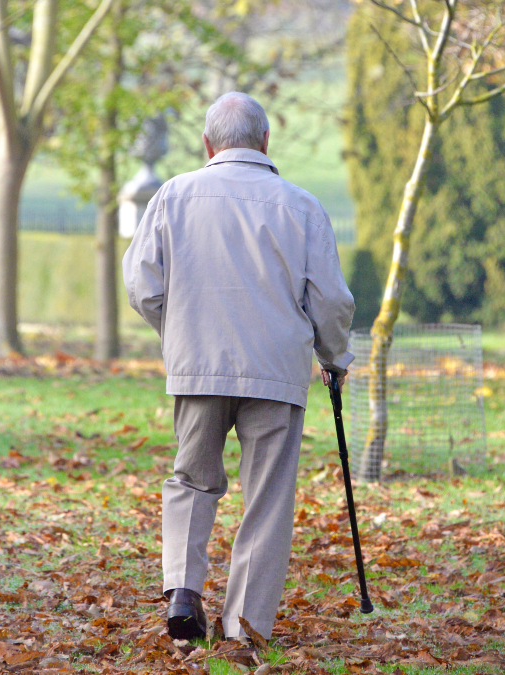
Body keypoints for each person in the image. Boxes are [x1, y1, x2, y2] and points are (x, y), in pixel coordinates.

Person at [122, 92, 355, 642]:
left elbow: (141, 285)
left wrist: (178, 330)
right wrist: (334, 357)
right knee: (268, 498)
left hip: (196, 364)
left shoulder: (172, 195)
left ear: (208, 144)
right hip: (276, 371)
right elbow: (332, 300)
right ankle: (244, 627)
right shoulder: (301, 206)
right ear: (265, 141)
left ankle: (182, 591)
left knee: (191, 480)